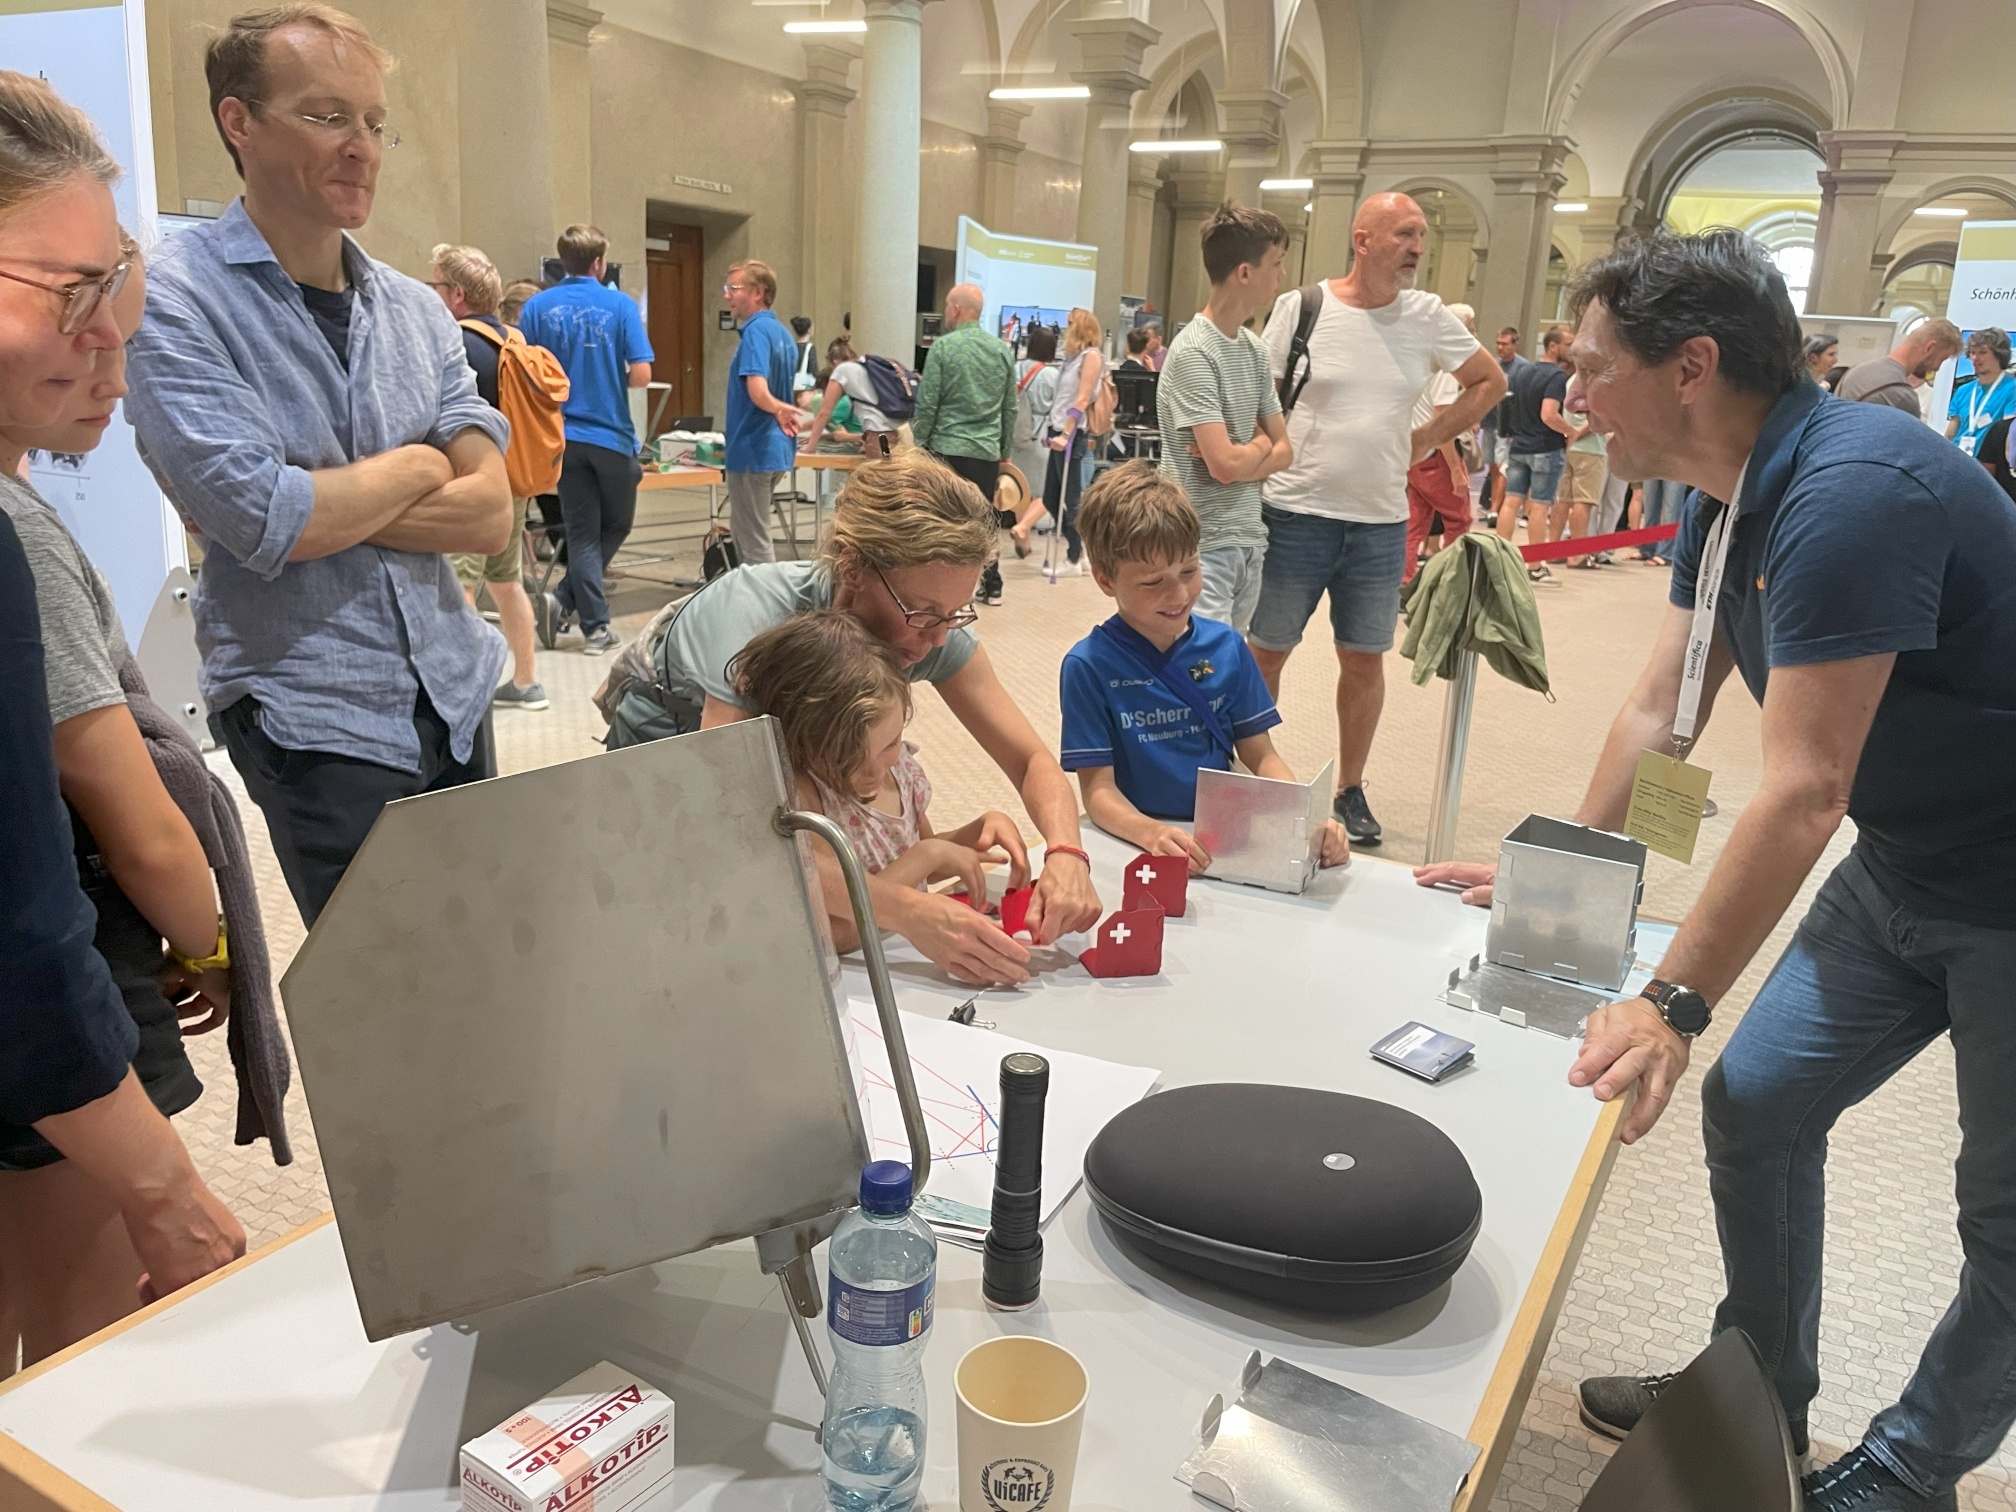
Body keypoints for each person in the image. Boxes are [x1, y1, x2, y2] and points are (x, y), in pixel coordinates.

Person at [1416, 228, 2016, 1512]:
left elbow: (1802, 790)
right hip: (1912, 861)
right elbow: (1663, 709)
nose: (1568, 396)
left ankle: (1917, 1470)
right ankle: (1762, 1397)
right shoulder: (1726, 490)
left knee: (2005, 1213)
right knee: (1761, 1105)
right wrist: (1559, 881)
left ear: (1690, 366)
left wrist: (1669, 1002)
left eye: (1589, 368)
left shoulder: (1853, 491)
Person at [126, 5, 512, 928]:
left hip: (453, 690)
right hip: (311, 712)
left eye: (374, 123)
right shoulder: (174, 300)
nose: (363, 149)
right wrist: (425, 461)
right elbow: (264, 518)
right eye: (327, 116)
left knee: (488, 967)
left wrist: (332, 497)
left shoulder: (418, 312)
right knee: (386, 1006)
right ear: (238, 123)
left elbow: (492, 514)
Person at [0, 66, 245, 1363]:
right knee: (82, 1357)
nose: (113, 340)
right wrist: (208, 947)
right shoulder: (12, 540)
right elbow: (99, 833)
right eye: (73, 293)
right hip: (50, 1041)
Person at [596, 450, 1102, 984]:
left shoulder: (931, 627)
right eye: (923, 613)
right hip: (667, 768)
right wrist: (905, 908)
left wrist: (1068, 853)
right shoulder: (752, 623)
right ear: (851, 565)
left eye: (955, 614)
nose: (936, 639)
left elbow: (1029, 759)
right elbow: (740, 827)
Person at [1251, 192, 1504, 848]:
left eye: (1421, 236)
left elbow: (1488, 381)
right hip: (1295, 511)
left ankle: (1351, 786)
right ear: (1362, 239)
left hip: (1379, 523)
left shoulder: (1428, 317)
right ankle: (1251, 774)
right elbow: (1258, 393)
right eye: (1403, 234)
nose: (1417, 247)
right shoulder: (1302, 307)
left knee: (1364, 659)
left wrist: (1429, 437)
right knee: (1265, 651)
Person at [1060, 461, 1350, 872]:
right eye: (1152, 582)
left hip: (1225, 840)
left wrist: (1305, 816)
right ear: (1106, 580)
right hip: (1135, 843)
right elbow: (1098, 792)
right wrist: (1151, 834)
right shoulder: (1087, 665)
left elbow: (1261, 755)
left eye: (1189, 571)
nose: (1178, 594)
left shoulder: (1227, 646)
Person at [732, 610, 1032, 922]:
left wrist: (975, 833)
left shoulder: (900, 770)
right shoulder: (807, 799)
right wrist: (927, 855)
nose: (874, 771)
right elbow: (837, 930)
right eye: (846, 757)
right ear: (802, 742)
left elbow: (921, 861)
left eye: (890, 743)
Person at [1155, 205, 1293, 625]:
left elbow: (1286, 451)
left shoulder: (1253, 350)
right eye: (1277, 264)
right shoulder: (1195, 351)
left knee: (1228, 669)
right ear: (1245, 272)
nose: (1282, 276)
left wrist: (1248, 452)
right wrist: (1260, 443)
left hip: (1250, 540)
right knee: (1202, 672)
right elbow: (1224, 466)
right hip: (1200, 547)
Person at [518, 224, 652, 653]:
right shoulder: (620, 305)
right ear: (599, 262)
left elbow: (526, 374)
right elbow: (641, 374)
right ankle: (585, 619)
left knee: (581, 532)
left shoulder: (537, 308)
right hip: (610, 434)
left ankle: (570, 607)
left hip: (561, 437)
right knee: (617, 524)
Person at [429, 242, 546, 710]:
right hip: (513, 480)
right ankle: (526, 680)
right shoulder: (514, 341)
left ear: (456, 294)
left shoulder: (456, 344)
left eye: (434, 284)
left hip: (469, 483)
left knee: (461, 587)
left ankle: (464, 692)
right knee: (506, 580)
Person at [910, 282, 1016, 605]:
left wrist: (919, 444)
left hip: (946, 448)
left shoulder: (943, 348)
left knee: (944, 520)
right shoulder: (1001, 351)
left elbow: (928, 403)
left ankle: (943, 586)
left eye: (946, 306)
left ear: (956, 309)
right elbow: (1009, 407)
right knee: (985, 519)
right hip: (985, 451)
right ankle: (991, 583)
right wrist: (1004, 451)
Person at [715, 258, 799, 565]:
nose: (727, 295)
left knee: (753, 541)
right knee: (747, 531)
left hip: (754, 448)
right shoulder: (783, 334)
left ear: (758, 293)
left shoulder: (755, 333)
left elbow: (758, 391)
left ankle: (765, 609)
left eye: (734, 288)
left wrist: (777, 408)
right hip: (773, 449)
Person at [1493, 323, 1576, 582]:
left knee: (1510, 502)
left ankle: (1499, 558)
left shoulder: (1522, 372)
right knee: (1539, 506)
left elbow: (1507, 406)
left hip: (1518, 446)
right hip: (1544, 448)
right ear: (1554, 346)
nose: (1572, 350)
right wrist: (1570, 431)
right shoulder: (1557, 377)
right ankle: (1534, 565)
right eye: (1569, 345)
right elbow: (1549, 414)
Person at [1404, 301, 1481, 581]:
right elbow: (1443, 418)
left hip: (1415, 453)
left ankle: (1404, 582)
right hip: (1436, 454)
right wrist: (1456, 469)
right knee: (1459, 521)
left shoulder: (1420, 355)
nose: (1473, 337)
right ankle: (1454, 583)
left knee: (1415, 523)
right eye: (1470, 330)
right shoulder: (1447, 364)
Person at [1039, 307, 1107, 570]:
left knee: (1070, 499)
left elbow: (1082, 397)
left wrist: (1067, 433)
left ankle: (1074, 554)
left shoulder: (1091, 356)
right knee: (1050, 498)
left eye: (1070, 324)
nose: (1065, 329)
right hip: (1058, 430)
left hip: (1073, 433)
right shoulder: (1070, 358)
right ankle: (1081, 550)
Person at [1556, 333, 1611, 569]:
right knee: (1583, 501)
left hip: (1568, 448)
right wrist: (1579, 432)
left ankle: (1553, 548)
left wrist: (1569, 434)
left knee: (1563, 499)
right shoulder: (1594, 382)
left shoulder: (1570, 381)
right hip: (1590, 449)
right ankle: (1576, 554)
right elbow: (1598, 414)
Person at [1007, 325, 1060, 556]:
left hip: (1015, 435)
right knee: (1047, 492)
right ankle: (1023, 526)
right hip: (1040, 436)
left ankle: (1024, 540)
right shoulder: (1051, 375)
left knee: (1021, 489)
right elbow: (1060, 408)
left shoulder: (1014, 369)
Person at [1836, 318, 1963, 413]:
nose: (1937, 368)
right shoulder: (1902, 396)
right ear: (1929, 348)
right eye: (1941, 359)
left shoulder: (1855, 371)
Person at [803, 342, 905, 457]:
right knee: (886, 468)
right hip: (896, 431)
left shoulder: (843, 370)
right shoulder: (866, 367)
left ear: (835, 362)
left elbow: (824, 414)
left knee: (878, 470)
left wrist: (810, 447)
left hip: (879, 436)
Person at [1480, 325, 1527, 522]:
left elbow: (1524, 399)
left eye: (1505, 344)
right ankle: (1493, 503)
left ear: (1515, 345)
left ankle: (1494, 509)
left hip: (1507, 427)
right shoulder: (1493, 364)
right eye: (1498, 343)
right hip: (1490, 421)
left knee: (1501, 466)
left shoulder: (1523, 368)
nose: (1500, 347)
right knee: (1492, 465)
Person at [1945, 326, 2011, 453]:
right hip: (1959, 459)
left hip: (1989, 466)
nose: (1975, 358)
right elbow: (1950, 432)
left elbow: (2010, 433)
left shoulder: (2012, 389)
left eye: (1982, 352)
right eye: (1973, 353)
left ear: (1999, 354)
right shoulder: (1963, 390)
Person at [789, 313, 818, 395]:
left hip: (792, 385)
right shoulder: (810, 347)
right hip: (805, 388)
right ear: (808, 330)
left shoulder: (791, 347)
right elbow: (814, 369)